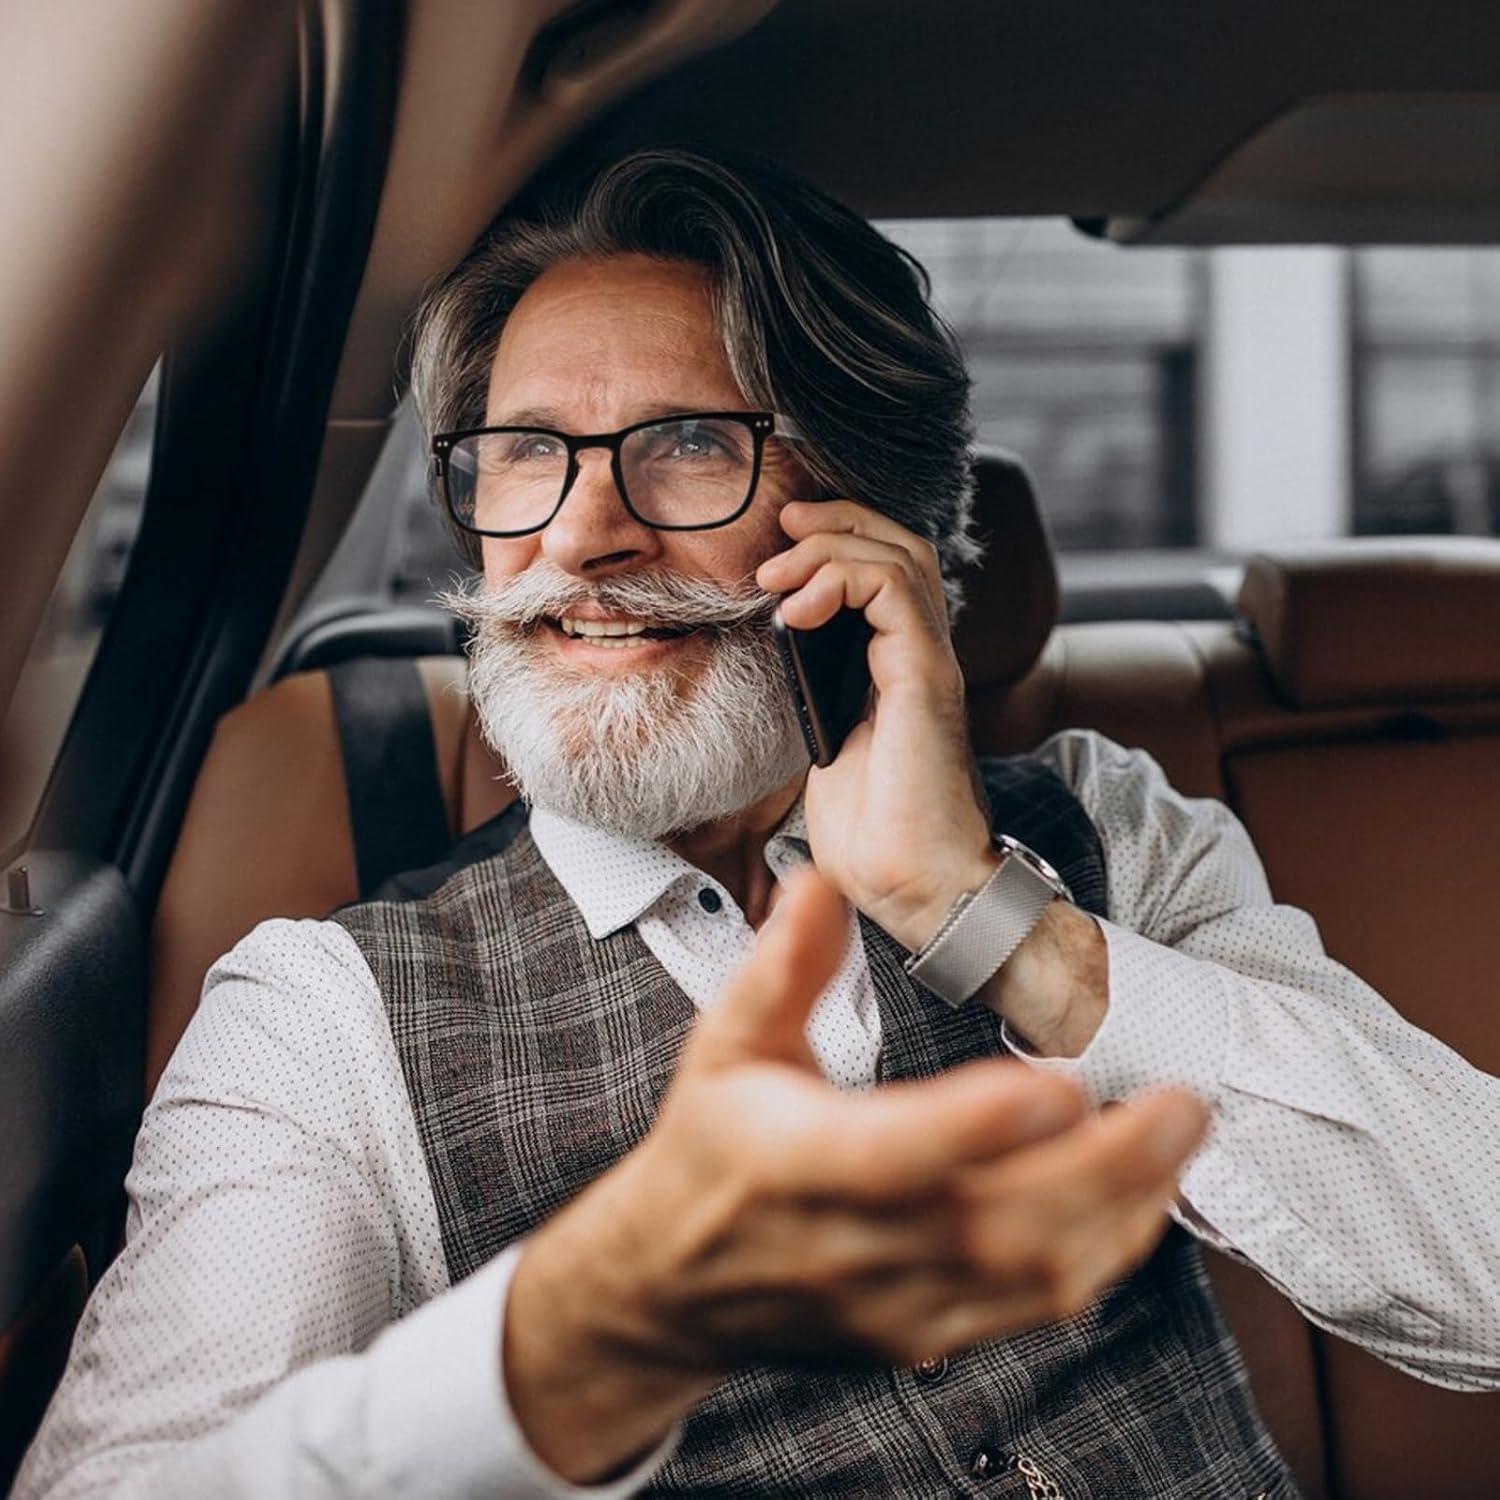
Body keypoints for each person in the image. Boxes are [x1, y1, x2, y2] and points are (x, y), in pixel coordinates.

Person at [18, 147, 1500, 1499]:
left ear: (872, 526)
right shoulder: (321, 1021)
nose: (584, 533)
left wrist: (991, 917)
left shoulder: (1114, 829)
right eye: (524, 451)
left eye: (684, 445)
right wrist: (575, 1345)